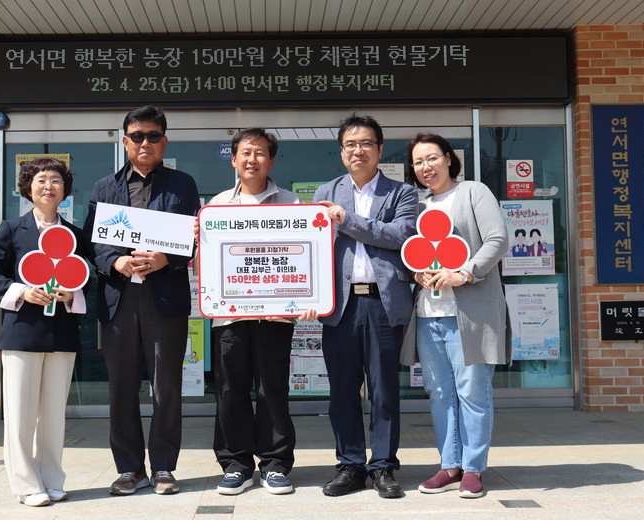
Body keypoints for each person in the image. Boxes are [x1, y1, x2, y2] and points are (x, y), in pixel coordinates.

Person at [84, 106, 200, 496]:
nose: (145, 142)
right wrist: (114, 261)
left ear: (164, 141)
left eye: (153, 136)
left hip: (164, 296)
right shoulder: (104, 187)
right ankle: (129, 468)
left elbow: (194, 238)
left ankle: (164, 466)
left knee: (166, 387)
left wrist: (168, 258)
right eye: (137, 136)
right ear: (125, 141)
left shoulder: (183, 184)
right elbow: (91, 242)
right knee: (122, 387)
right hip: (119, 298)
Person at [311, 114, 418, 499]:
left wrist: (347, 220)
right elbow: (312, 248)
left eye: (366, 143)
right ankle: (350, 465)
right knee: (342, 391)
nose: (358, 150)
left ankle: (383, 466)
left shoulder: (402, 193)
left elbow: (401, 235)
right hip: (339, 306)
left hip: (383, 303)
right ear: (342, 152)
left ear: (379, 149)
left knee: (384, 391)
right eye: (351, 144)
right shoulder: (326, 191)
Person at [400, 132, 509, 499]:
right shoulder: (417, 204)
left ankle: (473, 469)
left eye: (432, 158)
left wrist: (465, 273)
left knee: (473, 392)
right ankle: (449, 466)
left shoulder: (473, 192)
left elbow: (497, 240)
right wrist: (416, 273)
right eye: (418, 162)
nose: (425, 167)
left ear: (448, 158)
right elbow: (412, 252)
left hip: (471, 314)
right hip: (428, 313)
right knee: (439, 393)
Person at [205, 128, 313, 495]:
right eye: (246, 153)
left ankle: (275, 464)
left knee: (272, 389)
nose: (253, 160)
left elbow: (306, 255)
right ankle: (236, 464)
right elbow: (207, 263)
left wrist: (307, 298)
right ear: (233, 159)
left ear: (271, 160)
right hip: (230, 314)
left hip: (276, 315)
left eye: (260, 153)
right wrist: (199, 237)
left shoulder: (292, 203)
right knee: (230, 390)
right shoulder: (217, 205)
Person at [0, 157, 86, 507]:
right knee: (20, 415)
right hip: (23, 333)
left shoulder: (74, 234)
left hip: (62, 334)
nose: (48, 186)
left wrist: (73, 294)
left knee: (54, 415)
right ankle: (27, 485)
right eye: (41, 179)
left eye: (55, 180)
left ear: (64, 189)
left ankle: (52, 479)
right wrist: (23, 291)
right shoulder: (12, 229)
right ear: (28, 188)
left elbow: (86, 278)